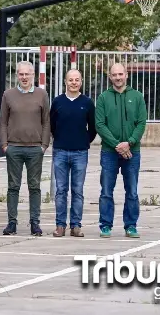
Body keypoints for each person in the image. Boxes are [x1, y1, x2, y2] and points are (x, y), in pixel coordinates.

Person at [95, 62, 147, 239]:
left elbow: (141, 123)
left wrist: (130, 143)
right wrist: (117, 145)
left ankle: (131, 226)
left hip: (132, 153)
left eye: (120, 74)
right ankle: (105, 226)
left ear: (126, 75)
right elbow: (100, 125)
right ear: (110, 77)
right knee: (106, 191)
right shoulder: (103, 98)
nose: (118, 78)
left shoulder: (137, 97)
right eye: (114, 75)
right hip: (109, 152)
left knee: (132, 191)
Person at [0, 60, 50, 237]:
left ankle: (35, 222)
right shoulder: (8, 95)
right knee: (13, 186)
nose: (24, 77)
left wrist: (44, 145)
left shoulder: (42, 94)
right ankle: (12, 223)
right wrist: (5, 145)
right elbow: (3, 121)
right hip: (14, 148)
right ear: (17, 75)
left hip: (35, 149)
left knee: (34, 187)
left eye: (27, 74)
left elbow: (46, 121)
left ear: (33, 75)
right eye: (21, 74)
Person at [50, 68, 97, 237]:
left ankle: (76, 225)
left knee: (77, 190)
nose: (74, 83)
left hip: (80, 153)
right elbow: (52, 125)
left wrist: (84, 141)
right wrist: (61, 139)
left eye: (77, 80)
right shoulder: (57, 102)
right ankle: (60, 225)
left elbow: (93, 128)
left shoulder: (87, 103)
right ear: (65, 81)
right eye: (71, 80)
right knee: (61, 190)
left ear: (81, 82)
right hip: (60, 151)